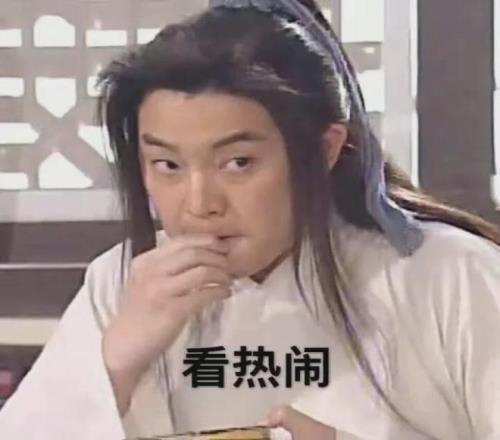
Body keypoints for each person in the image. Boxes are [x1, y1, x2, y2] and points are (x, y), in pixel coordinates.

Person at [0, 0, 499, 439]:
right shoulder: (120, 284)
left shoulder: (448, 274)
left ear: (324, 149)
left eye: (238, 163)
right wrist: (115, 359)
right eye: (168, 165)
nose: (199, 203)